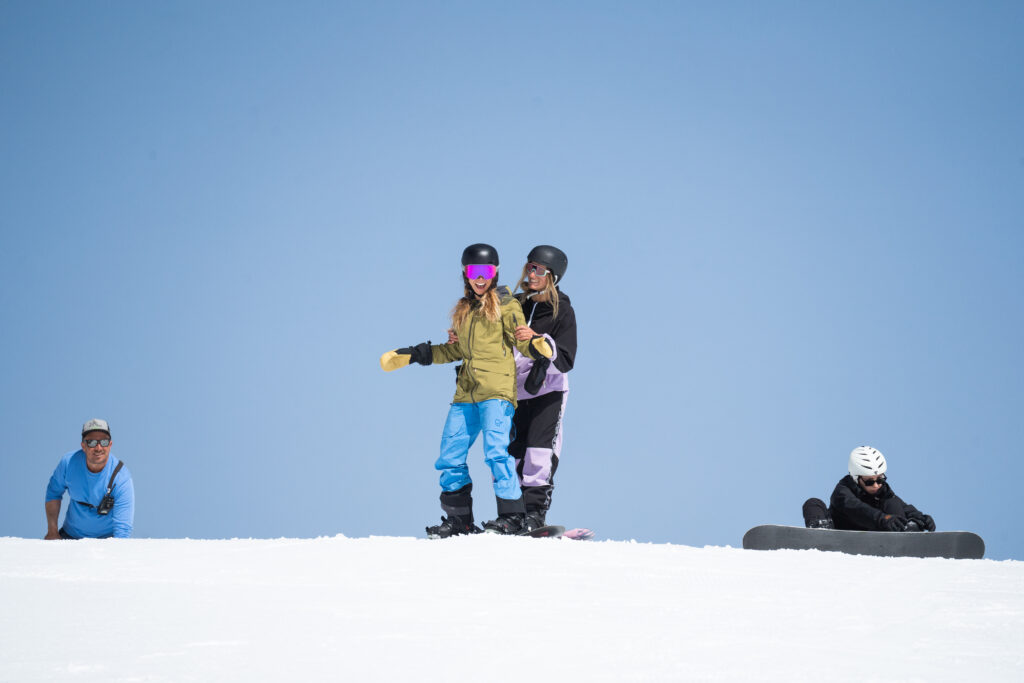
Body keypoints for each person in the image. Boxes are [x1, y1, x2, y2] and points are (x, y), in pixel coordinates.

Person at [380, 243, 555, 538]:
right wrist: (416, 354)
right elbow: (455, 351)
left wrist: (537, 344)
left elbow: (520, 339)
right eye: (474, 271)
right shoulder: (464, 311)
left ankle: (512, 516)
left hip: (497, 394)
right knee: (449, 455)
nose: (480, 278)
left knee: (497, 453)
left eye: (486, 271)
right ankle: (459, 519)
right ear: (465, 272)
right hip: (465, 395)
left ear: (495, 272)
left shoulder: (506, 305)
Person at [506, 245, 577, 530]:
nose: (531, 274)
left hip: (547, 389)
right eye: (529, 267)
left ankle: (535, 514)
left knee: (539, 450)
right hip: (514, 390)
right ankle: (513, 514)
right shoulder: (516, 305)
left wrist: (539, 340)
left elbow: (566, 358)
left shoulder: (563, 311)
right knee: (515, 453)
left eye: (538, 269)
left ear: (553, 276)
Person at [802, 446, 935, 532]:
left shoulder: (883, 492)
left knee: (892, 503)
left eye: (880, 480)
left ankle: (904, 534)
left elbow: (903, 507)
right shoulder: (842, 492)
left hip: (875, 537)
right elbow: (857, 509)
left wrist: (920, 519)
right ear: (856, 478)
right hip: (841, 531)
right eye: (870, 482)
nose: (876, 485)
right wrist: (884, 519)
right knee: (813, 503)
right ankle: (821, 535)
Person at [45, 418, 135, 539]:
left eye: (103, 442)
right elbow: (53, 493)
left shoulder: (122, 478)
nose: (98, 448)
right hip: (70, 536)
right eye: (91, 442)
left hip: (107, 543)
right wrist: (52, 531)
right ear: (83, 446)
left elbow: (123, 530)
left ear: (110, 445)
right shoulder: (68, 463)